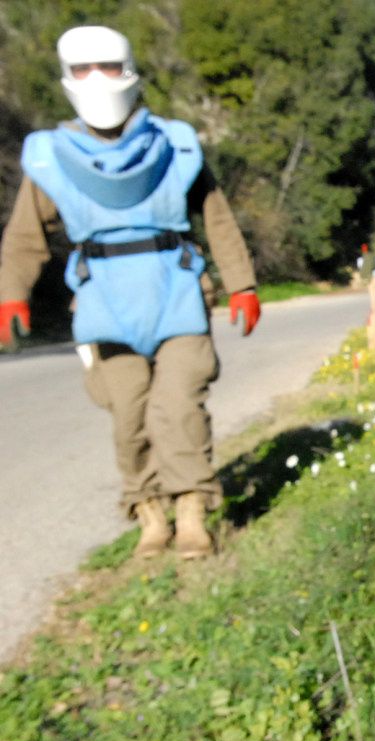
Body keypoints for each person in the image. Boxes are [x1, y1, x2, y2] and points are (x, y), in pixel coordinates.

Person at [0, 25, 260, 559]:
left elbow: (217, 217)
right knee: (129, 412)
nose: (98, 79)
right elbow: (25, 236)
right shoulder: (50, 157)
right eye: (83, 68)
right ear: (67, 77)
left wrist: (243, 284)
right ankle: (149, 515)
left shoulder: (175, 144)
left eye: (109, 66)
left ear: (131, 71)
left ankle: (191, 511)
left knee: (179, 403)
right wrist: (12, 294)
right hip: (102, 300)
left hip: (177, 291)